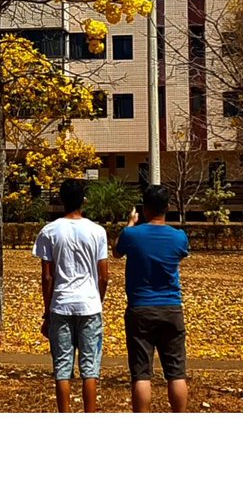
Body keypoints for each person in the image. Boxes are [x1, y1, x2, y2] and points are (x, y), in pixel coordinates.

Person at [33, 177, 109, 413]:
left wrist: (47, 311)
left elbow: (47, 277)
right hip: (89, 305)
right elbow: (104, 275)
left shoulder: (49, 231)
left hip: (61, 305)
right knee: (90, 369)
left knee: (62, 368)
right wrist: (98, 299)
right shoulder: (98, 232)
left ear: (60, 199)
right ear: (83, 200)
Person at [113, 184, 189, 413]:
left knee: (141, 374)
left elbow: (116, 252)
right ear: (167, 208)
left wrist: (130, 224)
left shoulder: (131, 234)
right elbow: (182, 254)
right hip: (171, 307)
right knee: (176, 373)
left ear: (144, 209)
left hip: (140, 308)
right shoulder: (178, 237)